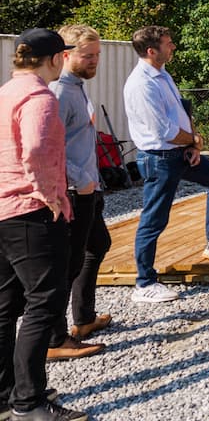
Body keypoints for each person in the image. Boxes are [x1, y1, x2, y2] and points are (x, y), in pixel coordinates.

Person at [0, 28, 91, 421]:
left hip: (3, 210)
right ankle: (29, 403)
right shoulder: (39, 97)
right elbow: (35, 150)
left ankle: (6, 393)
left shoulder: (5, 93)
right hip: (31, 212)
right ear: (56, 58)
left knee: (5, 307)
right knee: (44, 302)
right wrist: (50, 194)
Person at [125, 26, 209, 303]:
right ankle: (144, 283)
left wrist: (191, 145)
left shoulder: (162, 74)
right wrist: (194, 140)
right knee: (154, 219)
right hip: (160, 158)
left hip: (179, 153)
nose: (173, 46)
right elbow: (164, 130)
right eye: (168, 43)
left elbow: (179, 111)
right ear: (152, 51)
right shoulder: (143, 84)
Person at [46, 26, 111, 361]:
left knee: (97, 244)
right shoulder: (58, 92)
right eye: (88, 55)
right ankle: (55, 338)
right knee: (66, 265)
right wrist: (79, 180)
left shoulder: (76, 88)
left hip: (88, 187)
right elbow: (48, 148)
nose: (95, 61)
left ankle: (84, 319)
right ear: (66, 55)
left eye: (98, 55)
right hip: (72, 192)